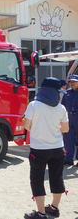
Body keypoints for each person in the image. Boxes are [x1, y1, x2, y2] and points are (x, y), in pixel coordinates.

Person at [23, 77, 69, 219]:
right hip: (58, 148)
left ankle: (41, 212)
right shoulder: (61, 108)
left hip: (39, 149)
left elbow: (27, 126)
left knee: (37, 179)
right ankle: (54, 208)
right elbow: (65, 129)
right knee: (56, 177)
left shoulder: (34, 105)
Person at [62, 74, 78, 166]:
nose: (72, 83)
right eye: (71, 82)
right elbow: (62, 106)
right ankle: (68, 159)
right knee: (68, 139)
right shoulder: (67, 93)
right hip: (68, 118)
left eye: (74, 82)